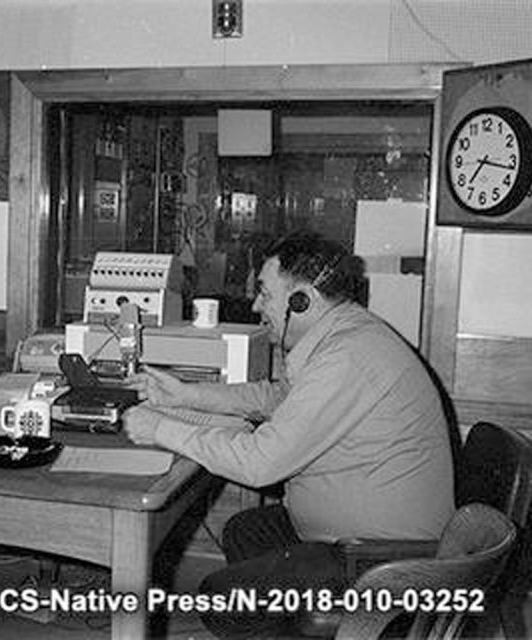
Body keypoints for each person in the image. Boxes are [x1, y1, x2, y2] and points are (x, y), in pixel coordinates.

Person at [123, 231, 455, 638]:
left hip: (383, 562)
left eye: (264, 293)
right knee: (244, 531)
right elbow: (280, 397)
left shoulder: (348, 356)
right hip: (365, 540)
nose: (256, 304)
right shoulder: (346, 334)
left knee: (220, 599)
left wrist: (159, 427)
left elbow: (259, 464)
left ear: (303, 300)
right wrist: (187, 395)